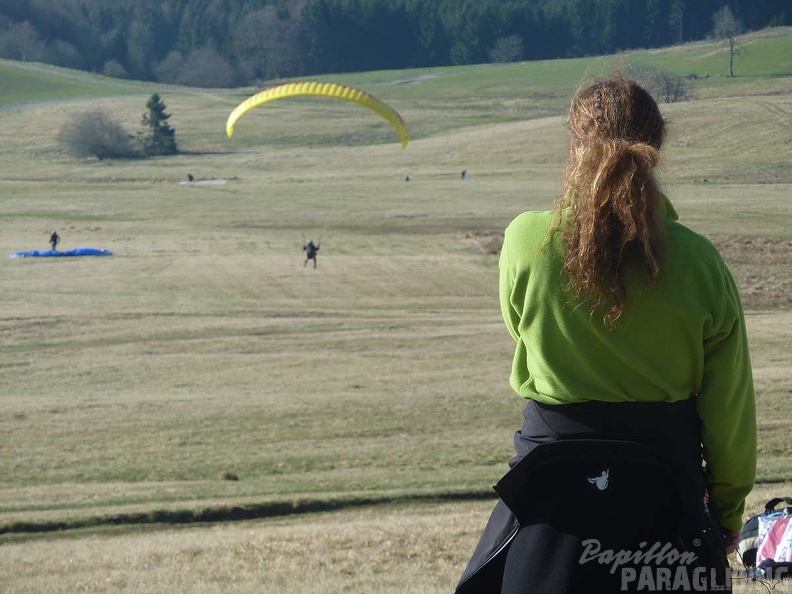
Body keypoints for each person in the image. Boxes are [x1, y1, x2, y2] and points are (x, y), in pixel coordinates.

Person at [455, 77, 756, 593]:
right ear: (656, 152)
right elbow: (728, 409)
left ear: (573, 146)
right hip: (667, 500)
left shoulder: (527, 241)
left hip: (549, 502)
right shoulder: (700, 262)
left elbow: (520, 333)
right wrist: (726, 510)